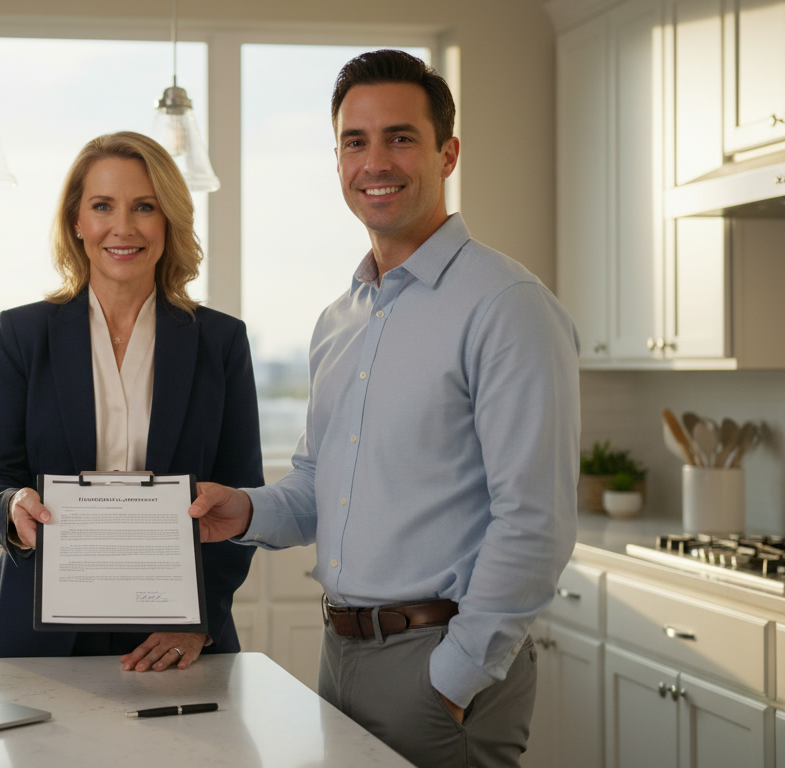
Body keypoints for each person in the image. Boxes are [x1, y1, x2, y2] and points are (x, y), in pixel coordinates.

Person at [188, 50, 579, 766]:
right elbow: (316, 486)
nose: (376, 161)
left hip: (437, 666)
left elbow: (535, 519)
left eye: (400, 137)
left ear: (447, 152)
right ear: (337, 158)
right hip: (339, 656)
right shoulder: (339, 320)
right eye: (354, 141)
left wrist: (456, 677)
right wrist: (243, 511)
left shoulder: (506, 306)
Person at [0, 131, 262, 672]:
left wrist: (199, 620)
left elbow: (243, 500)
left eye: (144, 207)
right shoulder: (22, 335)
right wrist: (12, 509)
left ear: (167, 220)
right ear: (77, 221)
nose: (122, 227)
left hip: (175, 640)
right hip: (36, 637)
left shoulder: (220, 342)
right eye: (102, 206)